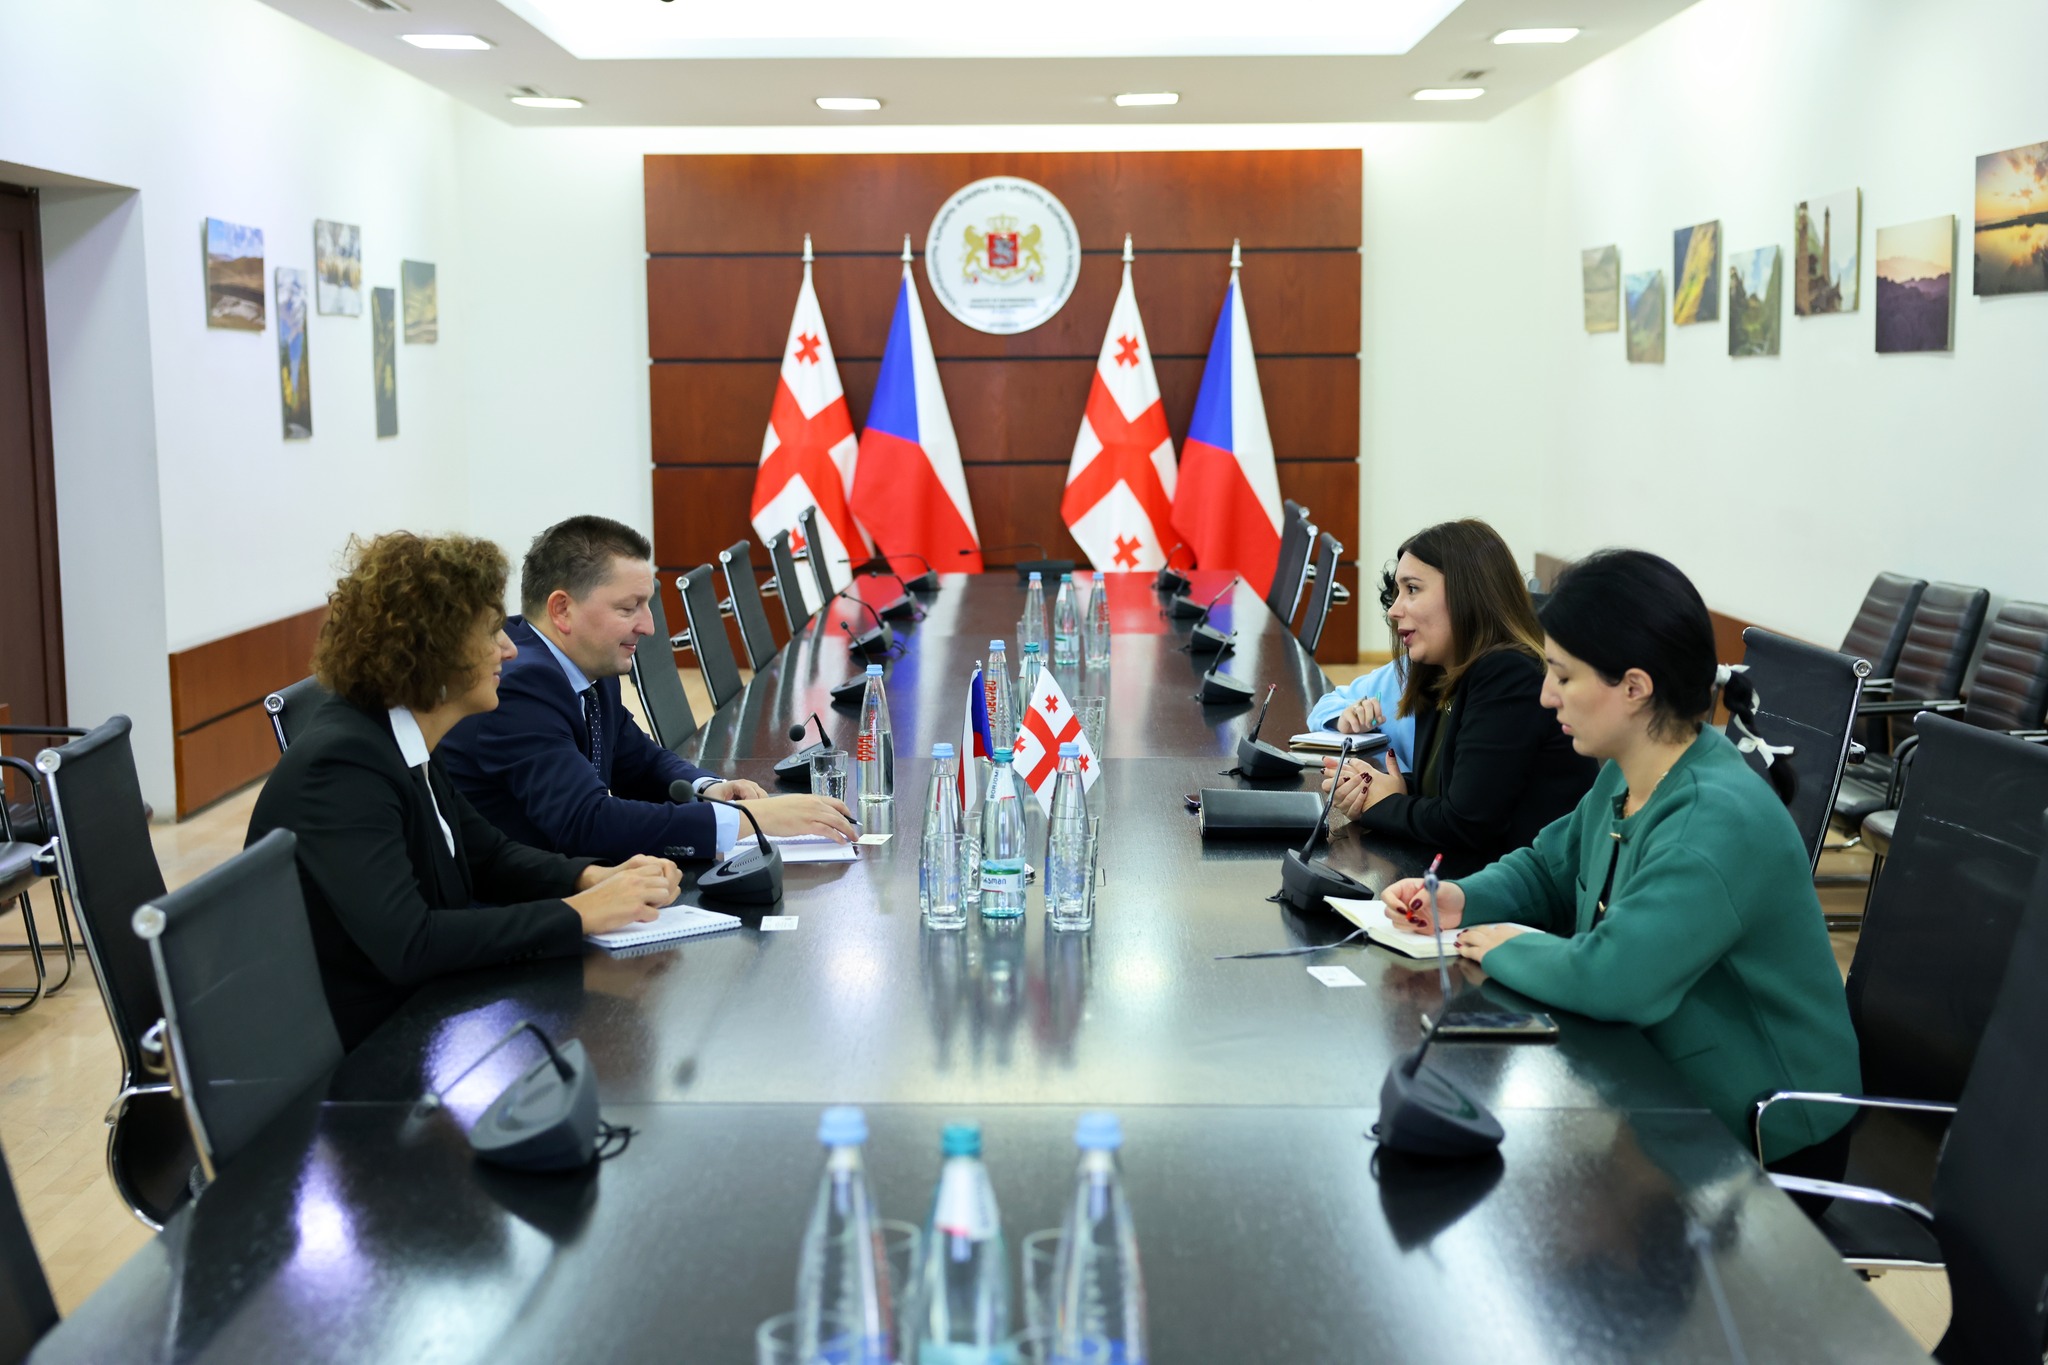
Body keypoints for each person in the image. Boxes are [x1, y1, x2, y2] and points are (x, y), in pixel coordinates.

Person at [1378, 549, 1860, 1176]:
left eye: (1563, 676)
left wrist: (1500, 944)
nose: (1546, 696)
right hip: (1659, 1080)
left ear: (1634, 688)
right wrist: (1462, 898)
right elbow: (1549, 869)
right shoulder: (1629, 771)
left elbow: (1612, 980)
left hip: (1766, 1136)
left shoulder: (1714, 820)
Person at [247, 532, 679, 1049]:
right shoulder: (343, 766)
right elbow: (412, 943)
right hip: (361, 1048)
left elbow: (487, 857)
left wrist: (593, 878)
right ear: (433, 649)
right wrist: (580, 913)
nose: (509, 648)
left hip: (424, 1012)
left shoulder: (405, 734)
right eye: (492, 633)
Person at [437, 515, 856, 863]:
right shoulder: (520, 685)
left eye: (647, 604)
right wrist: (752, 820)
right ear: (562, 610)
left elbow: (636, 760)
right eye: (628, 608)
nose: (649, 626)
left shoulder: (587, 663)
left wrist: (709, 790)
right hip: (519, 910)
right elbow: (588, 823)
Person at [1320, 520, 1595, 865]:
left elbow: (1466, 823)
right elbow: (1451, 792)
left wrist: (1383, 803)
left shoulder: (1509, 674)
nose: (1393, 610)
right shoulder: (1440, 668)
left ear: (1467, 592)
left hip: (1526, 885)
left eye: (1412, 589)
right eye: (1398, 592)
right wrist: (1377, 787)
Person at [1306, 566, 1415, 769]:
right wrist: (1344, 718)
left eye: (1413, 590)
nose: (1392, 612)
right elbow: (1323, 707)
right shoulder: (1396, 674)